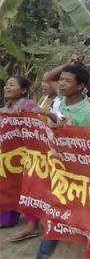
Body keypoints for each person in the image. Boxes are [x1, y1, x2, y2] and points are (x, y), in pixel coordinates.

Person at [37, 61, 90, 259]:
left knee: (69, 211)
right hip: (56, 166)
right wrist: (68, 65)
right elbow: (47, 77)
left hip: (76, 172)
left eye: (67, 81)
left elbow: (87, 145)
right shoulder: (61, 99)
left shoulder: (88, 113)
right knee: (57, 211)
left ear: (80, 86)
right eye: (61, 80)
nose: (61, 84)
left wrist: (69, 130)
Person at [0, 76, 40, 242]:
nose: (7, 87)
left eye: (12, 85)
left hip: (24, 153)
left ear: (23, 90)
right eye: (6, 85)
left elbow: (34, 128)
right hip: (8, 155)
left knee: (26, 185)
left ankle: (30, 224)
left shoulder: (28, 105)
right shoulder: (5, 107)